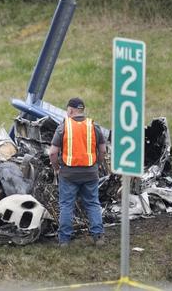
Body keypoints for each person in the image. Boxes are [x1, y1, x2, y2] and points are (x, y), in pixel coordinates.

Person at [49, 97, 106, 247]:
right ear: (82, 110)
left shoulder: (63, 127)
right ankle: (98, 236)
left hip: (68, 174)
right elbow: (103, 150)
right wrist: (97, 165)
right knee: (93, 204)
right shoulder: (93, 126)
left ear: (70, 110)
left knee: (67, 206)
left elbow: (53, 153)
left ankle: (64, 240)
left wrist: (56, 168)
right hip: (90, 173)